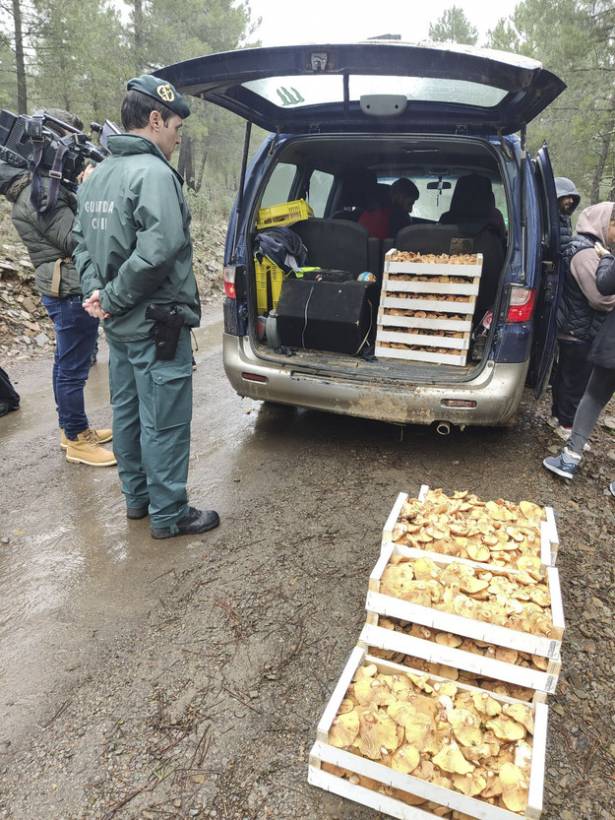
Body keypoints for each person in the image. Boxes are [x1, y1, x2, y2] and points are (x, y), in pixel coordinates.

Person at [74, 76, 219, 539]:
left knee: (129, 416)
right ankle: (170, 514)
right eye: (176, 126)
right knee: (166, 423)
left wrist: (99, 295)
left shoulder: (99, 177)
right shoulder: (153, 174)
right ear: (155, 119)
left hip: (119, 328)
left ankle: (137, 500)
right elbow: (158, 250)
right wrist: (112, 297)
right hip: (158, 326)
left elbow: (80, 244)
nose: (178, 136)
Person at [0, 110, 115, 467]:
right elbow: (76, 238)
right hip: (67, 290)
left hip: (66, 287)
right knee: (72, 368)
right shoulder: (38, 194)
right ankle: (77, 439)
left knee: (68, 363)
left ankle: (73, 429)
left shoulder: (42, 187)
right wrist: (91, 187)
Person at [543, 208, 615, 498]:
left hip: (608, 342)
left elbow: (606, 285)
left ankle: (570, 458)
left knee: (593, 395)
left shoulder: (596, 252)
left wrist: (609, 258)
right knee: (583, 388)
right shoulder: (584, 252)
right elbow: (602, 295)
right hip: (581, 332)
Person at [554, 176, 581, 253]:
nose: (572, 201)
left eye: (572, 197)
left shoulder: (565, 217)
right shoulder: (548, 219)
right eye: (568, 197)